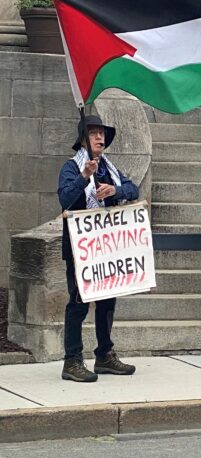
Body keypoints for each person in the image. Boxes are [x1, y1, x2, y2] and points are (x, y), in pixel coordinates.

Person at [57, 113, 140, 382]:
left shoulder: (109, 168)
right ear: (83, 139)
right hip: (81, 248)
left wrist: (114, 191)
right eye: (93, 133)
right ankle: (72, 360)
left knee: (107, 301)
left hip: (106, 248)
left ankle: (104, 355)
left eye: (102, 133)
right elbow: (66, 198)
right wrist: (84, 177)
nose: (99, 137)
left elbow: (133, 189)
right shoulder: (71, 167)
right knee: (79, 302)